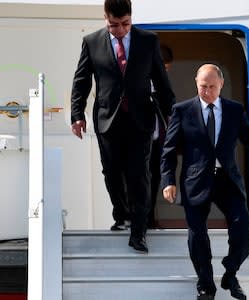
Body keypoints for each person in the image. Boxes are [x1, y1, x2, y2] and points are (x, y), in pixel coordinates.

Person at [161, 64, 249, 300]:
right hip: (195, 181)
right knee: (197, 236)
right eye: (202, 86)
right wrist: (168, 180)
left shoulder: (233, 110)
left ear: (221, 85)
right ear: (196, 83)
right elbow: (168, 150)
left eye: (211, 87)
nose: (206, 91)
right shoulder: (182, 110)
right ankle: (206, 286)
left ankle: (230, 272)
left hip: (227, 180)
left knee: (243, 234)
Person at [70, 0, 175, 253]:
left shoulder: (148, 41)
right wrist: (77, 114)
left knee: (139, 175)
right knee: (112, 173)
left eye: (125, 24)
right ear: (105, 18)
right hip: (108, 119)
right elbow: (82, 81)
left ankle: (139, 232)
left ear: (131, 18)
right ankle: (122, 215)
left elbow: (161, 82)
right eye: (114, 25)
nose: (120, 30)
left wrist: (172, 116)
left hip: (140, 119)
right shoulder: (91, 42)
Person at [148, 44, 174, 229]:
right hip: (142, 141)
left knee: (154, 180)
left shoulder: (163, 87)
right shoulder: (143, 83)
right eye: (164, 69)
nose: (165, 73)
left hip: (157, 142)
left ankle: (149, 220)